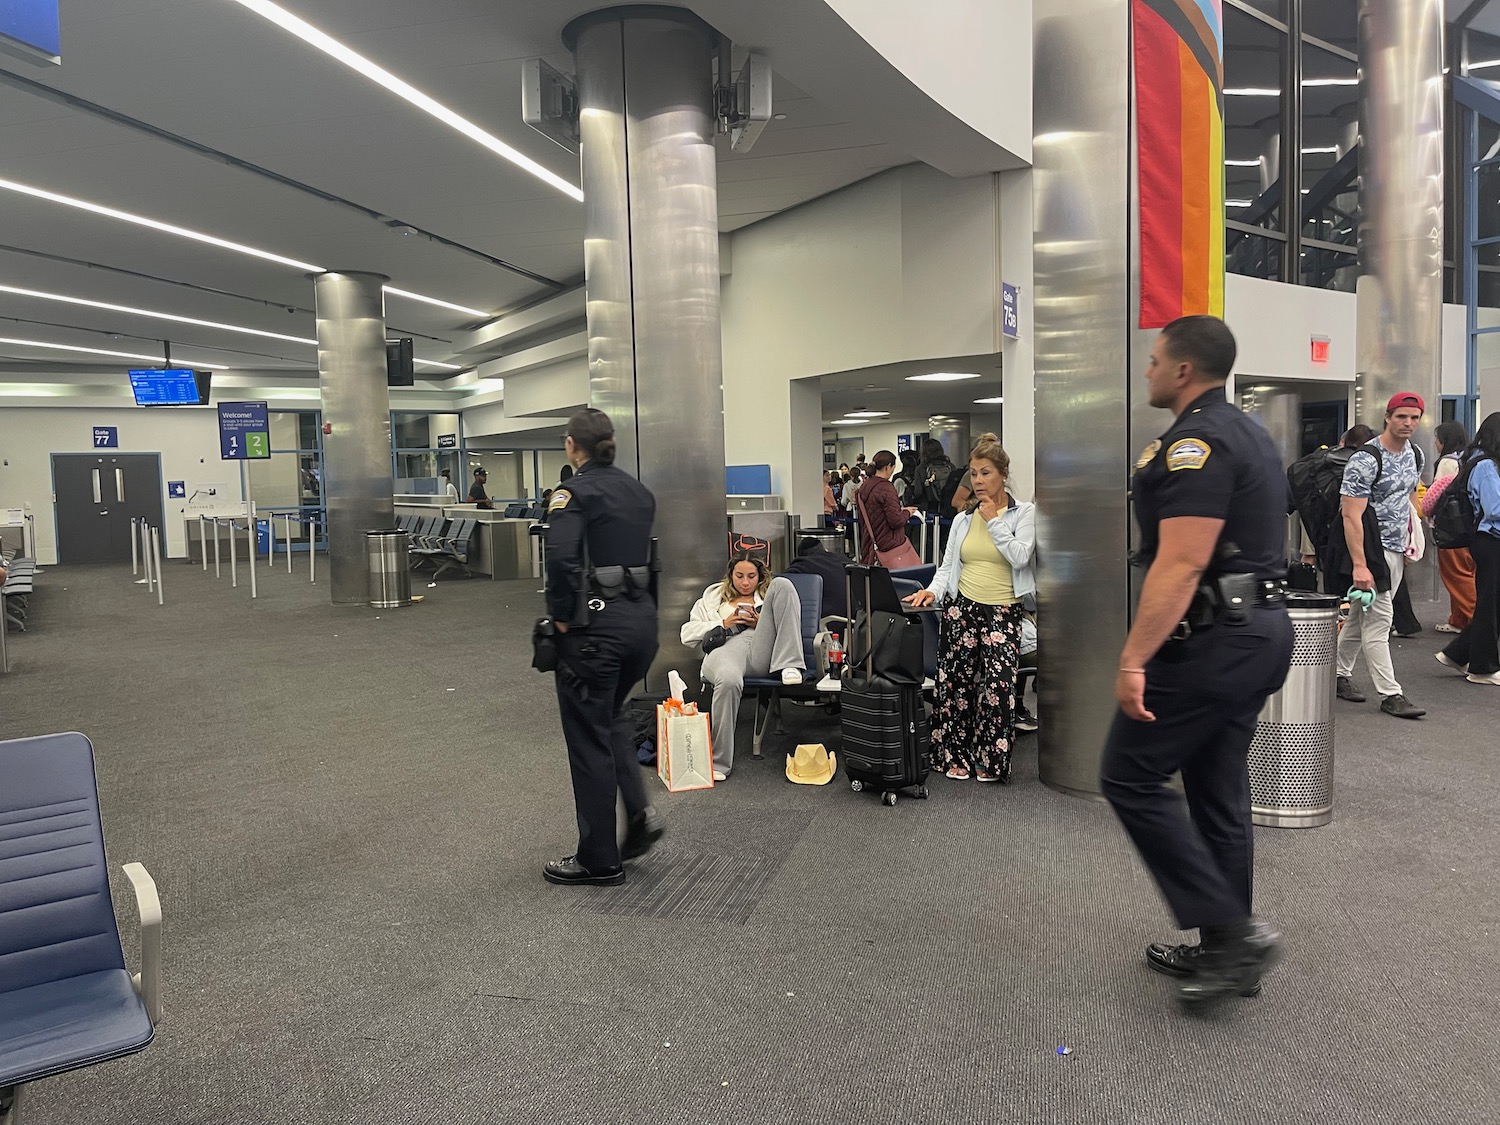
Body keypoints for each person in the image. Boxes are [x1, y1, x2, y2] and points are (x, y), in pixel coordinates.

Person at [1098, 315, 1294, 1011]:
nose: (1148, 371)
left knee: (1128, 773)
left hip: (1217, 637)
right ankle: (1224, 953)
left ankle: (1235, 934)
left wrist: (1132, 658)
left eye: (1154, 361)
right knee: (1214, 788)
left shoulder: (1198, 441)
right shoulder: (1249, 432)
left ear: (1183, 370)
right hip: (1259, 629)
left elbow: (1181, 561)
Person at [540, 408, 663, 886]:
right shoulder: (638, 490)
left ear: (573, 446)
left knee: (587, 738)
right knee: (610, 719)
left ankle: (599, 859)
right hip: (642, 627)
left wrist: (565, 618)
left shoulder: (572, 492)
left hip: (596, 632)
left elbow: (562, 558)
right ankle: (639, 816)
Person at [903, 434, 1035, 782]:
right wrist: (931, 591)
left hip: (1003, 611)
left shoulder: (1024, 514)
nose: (977, 481)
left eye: (985, 473)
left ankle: (990, 761)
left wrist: (994, 521)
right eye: (974, 474)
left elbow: (1021, 557)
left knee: (998, 688)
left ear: (1003, 474)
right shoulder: (963, 520)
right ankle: (954, 757)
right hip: (963, 609)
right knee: (954, 687)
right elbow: (946, 567)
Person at [1332, 393, 1427, 718]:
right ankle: (1391, 694)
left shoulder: (1415, 454)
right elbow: (1350, 515)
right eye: (1402, 417)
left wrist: (1413, 534)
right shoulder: (1367, 458)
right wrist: (1360, 565)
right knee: (1380, 620)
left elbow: (1411, 493)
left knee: (1360, 616)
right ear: (1388, 417)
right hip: (1372, 550)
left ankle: (1338, 675)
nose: (1408, 424)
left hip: (1397, 549)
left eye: (1414, 418)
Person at [681, 555, 807, 781]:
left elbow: (786, 628)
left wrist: (761, 623)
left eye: (751, 576)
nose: (745, 582)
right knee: (728, 680)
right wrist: (724, 623)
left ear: (759, 578)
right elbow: (686, 634)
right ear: (730, 576)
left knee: (784, 583)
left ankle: (790, 664)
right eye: (739, 576)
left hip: (760, 651)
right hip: (724, 651)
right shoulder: (713, 599)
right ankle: (719, 762)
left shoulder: (768, 597)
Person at [1436, 412, 1500, 686]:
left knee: (1493, 604)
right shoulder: (1485, 465)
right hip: (1491, 540)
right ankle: (1482, 668)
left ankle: (1458, 653)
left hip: (1487, 540)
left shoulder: (1477, 460)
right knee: (1488, 605)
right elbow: (1494, 508)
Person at [1420, 421, 1477, 634]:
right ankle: (1458, 620)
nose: (1435, 443)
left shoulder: (1447, 462)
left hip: (1451, 528)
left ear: (1443, 441)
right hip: (1470, 526)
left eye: (1437, 439)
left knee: (1457, 575)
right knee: (1467, 572)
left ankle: (1476, 620)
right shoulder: (1469, 458)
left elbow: (1438, 496)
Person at [854, 450, 922, 569]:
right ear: (888, 467)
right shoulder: (886, 488)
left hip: (869, 545)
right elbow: (896, 520)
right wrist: (907, 512)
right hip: (888, 546)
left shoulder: (864, 487)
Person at [784, 535, 851, 624]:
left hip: (829, 624)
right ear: (824, 549)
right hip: (857, 622)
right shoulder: (845, 560)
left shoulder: (803, 565)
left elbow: (780, 583)